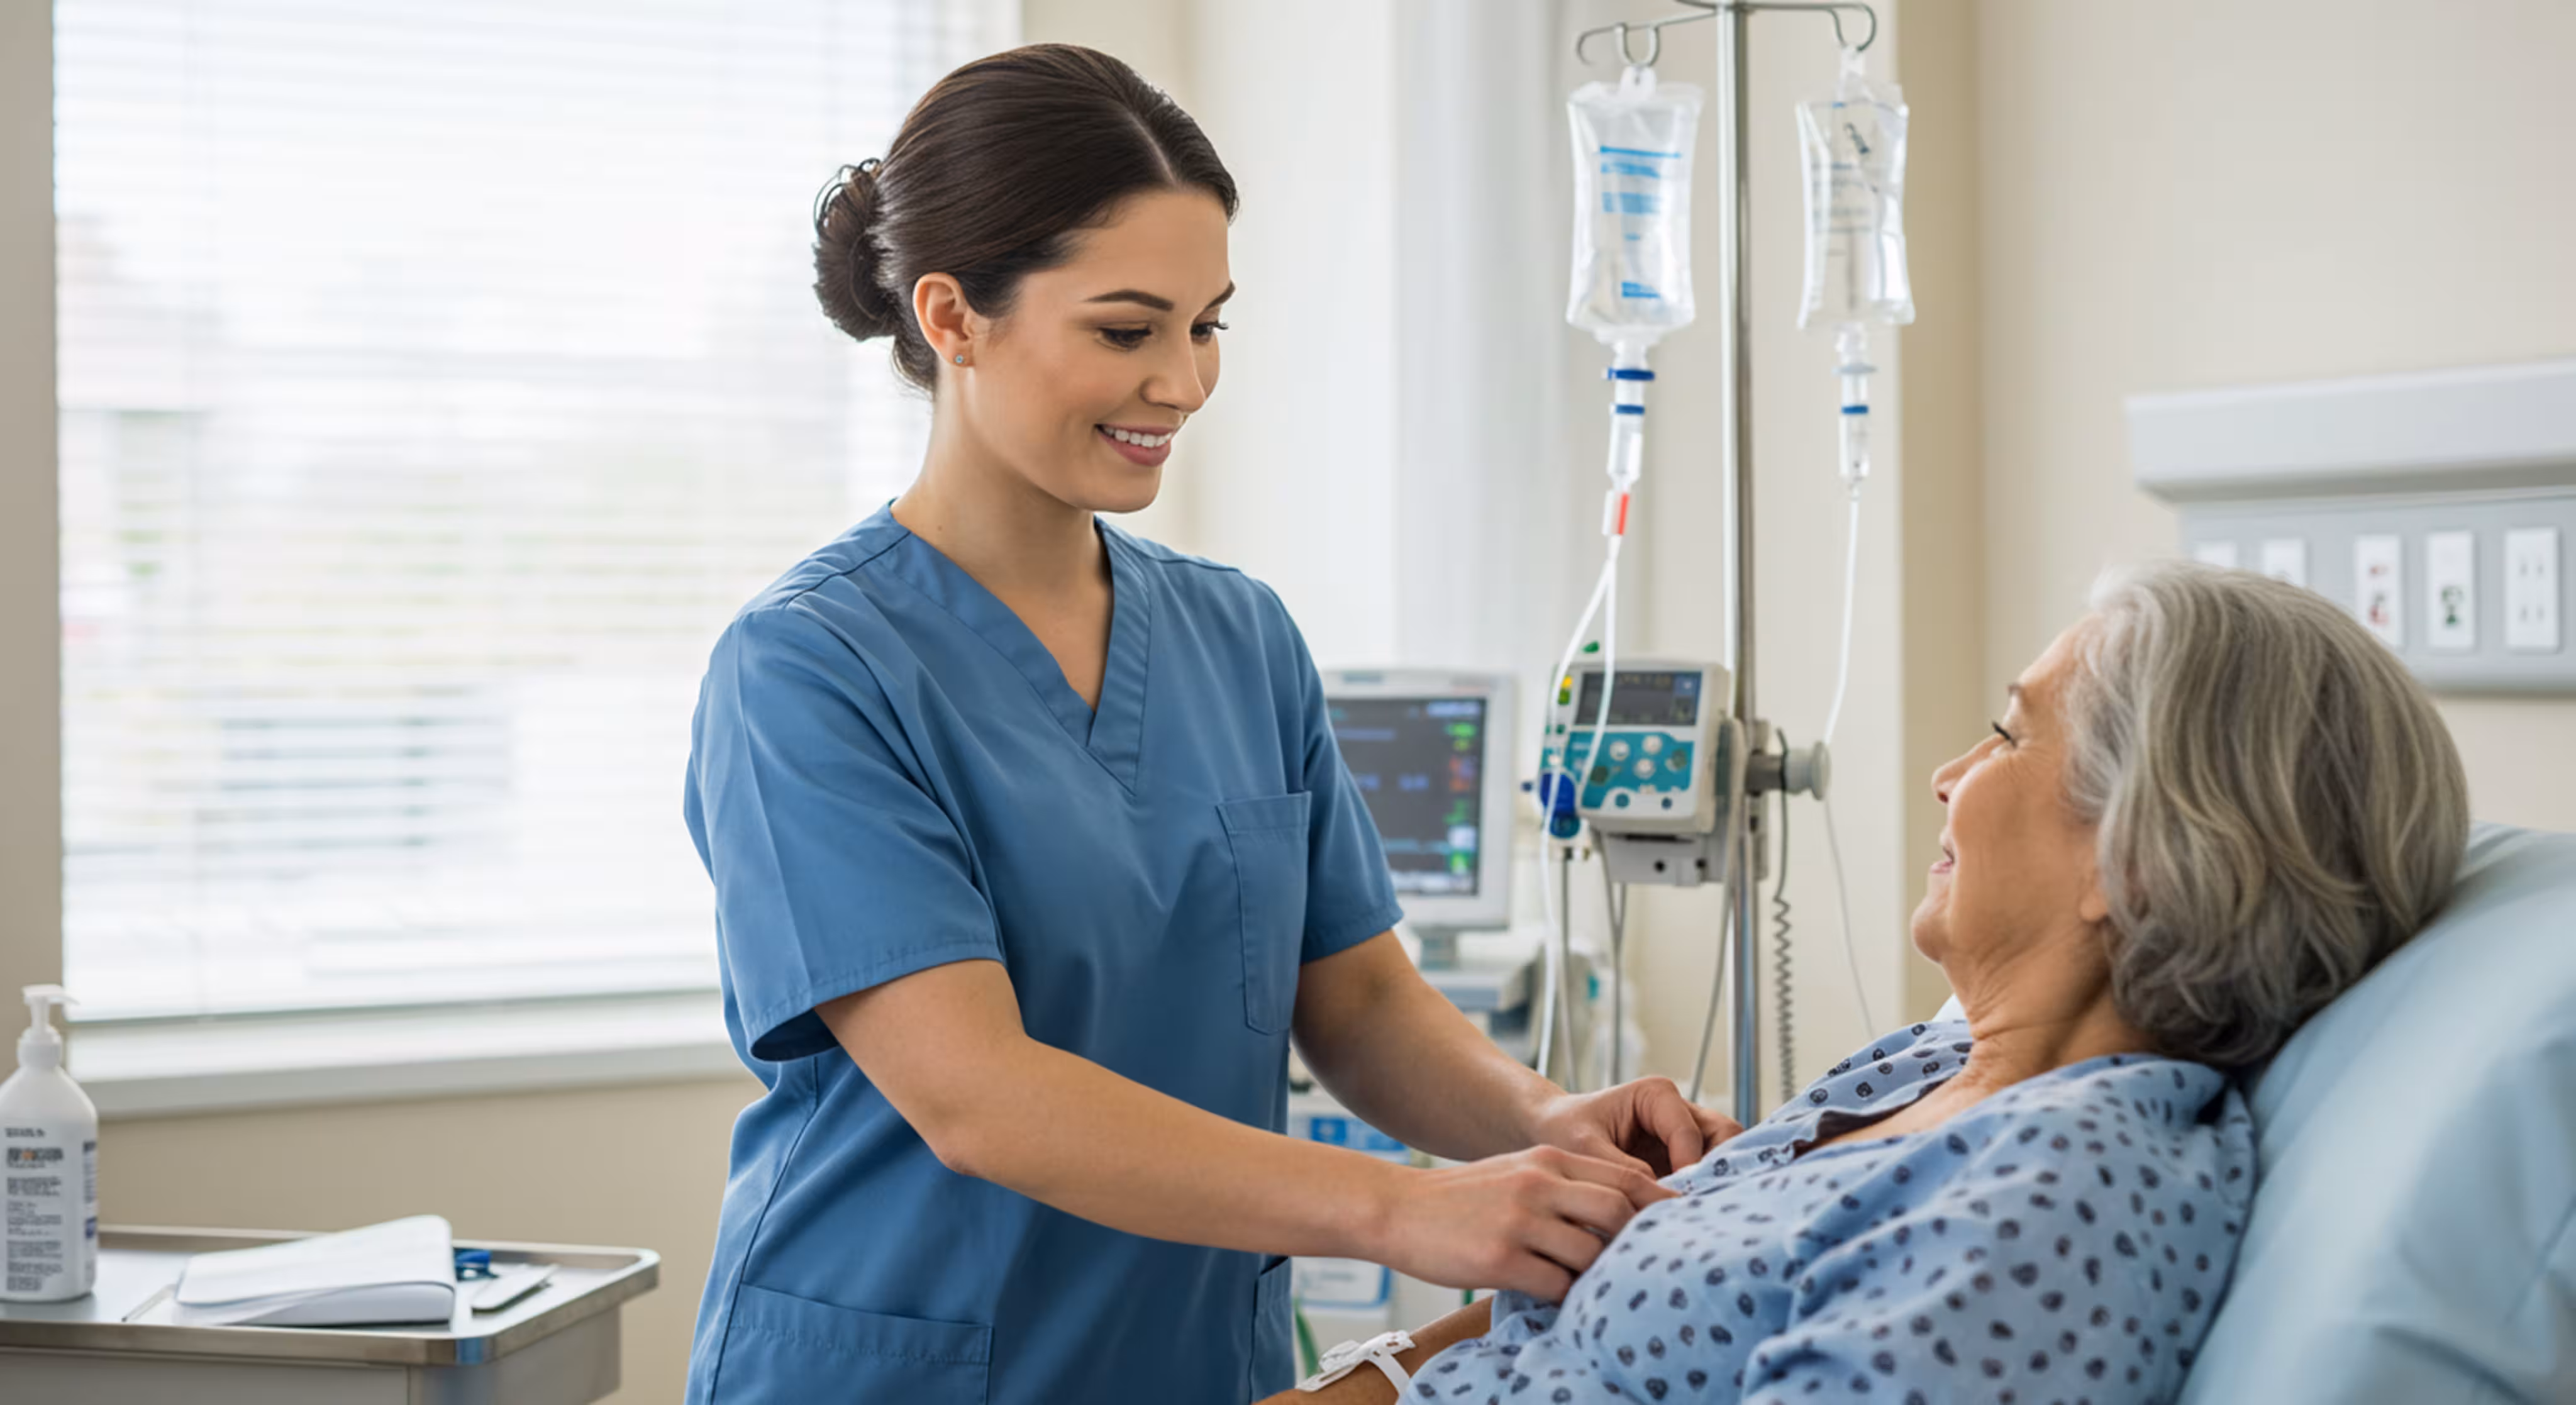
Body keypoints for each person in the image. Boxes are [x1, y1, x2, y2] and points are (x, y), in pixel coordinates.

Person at [680, 44, 1737, 1405]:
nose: (1181, 382)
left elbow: (1354, 1000)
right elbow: (978, 1094)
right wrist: (1408, 1210)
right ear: (952, 317)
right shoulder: (808, 670)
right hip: (903, 1360)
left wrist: (1540, 1121)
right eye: (1127, 330)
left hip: (1184, 1364)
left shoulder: (1237, 637)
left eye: (1207, 325)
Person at [1265, 560, 2470, 1404]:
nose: (1952, 774)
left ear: (2135, 855)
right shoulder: (1924, 1065)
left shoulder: (2063, 1190)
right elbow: (1542, 1322)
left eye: (2009, 736)